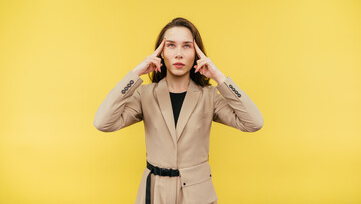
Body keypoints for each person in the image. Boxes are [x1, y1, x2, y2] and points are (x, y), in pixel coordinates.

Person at [93, 17, 264, 204]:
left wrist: (218, 76)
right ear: (161, 52)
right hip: (154, 192)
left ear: (197, 53)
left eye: (187, 46)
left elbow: (253, 122)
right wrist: (135, 74)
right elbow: (103, 122)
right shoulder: (145, 94)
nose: (179, 54)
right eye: (171, 45)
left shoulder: (209, 96)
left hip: (197, 194)